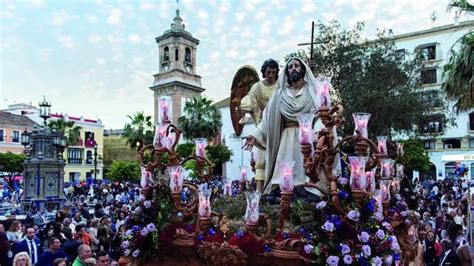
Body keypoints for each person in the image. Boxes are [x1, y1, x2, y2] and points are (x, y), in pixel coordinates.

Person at [244, 58, 325, 195]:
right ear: (287, 72)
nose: (293, 68)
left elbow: (322, 114)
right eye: (290, 67)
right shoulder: (280, 94)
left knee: (306, 169)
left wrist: (319, 129)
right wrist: (255, 134)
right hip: (286, 139)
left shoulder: (312, 92)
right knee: (284, 173)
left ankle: (309, 191)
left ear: (302, 70)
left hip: (307, 138)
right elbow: (267, 119)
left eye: (296, 66)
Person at [238, 59, 280, 192]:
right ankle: (259, 192)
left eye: (274, 72)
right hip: (263, 127)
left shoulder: (281, 85)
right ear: (264, 72)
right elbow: (250, 102)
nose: (271, 75)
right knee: (261, 161)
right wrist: (242, 108)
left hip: (280, 127)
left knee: (281, 160)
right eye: (268, 72)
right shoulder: (257, 87)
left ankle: (278, 190)